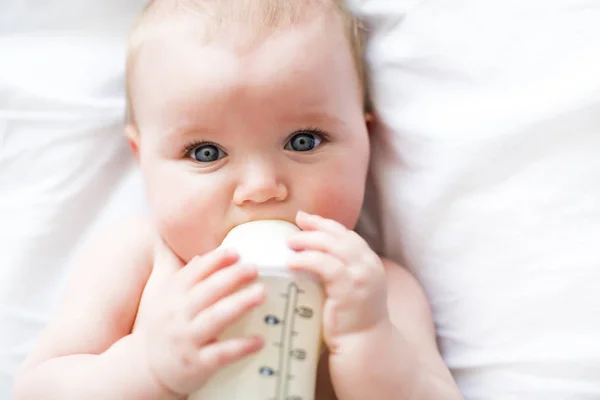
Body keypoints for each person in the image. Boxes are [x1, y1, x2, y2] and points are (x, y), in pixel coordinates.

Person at [13, 0, 462, 399]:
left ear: (366, 138)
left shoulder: (377, 290)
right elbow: (37, 389)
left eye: (304, 141)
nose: (262, 187)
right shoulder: (140, 260)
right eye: (206, 153)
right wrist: (146, 366)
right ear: (142, 159)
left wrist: (369, 338)